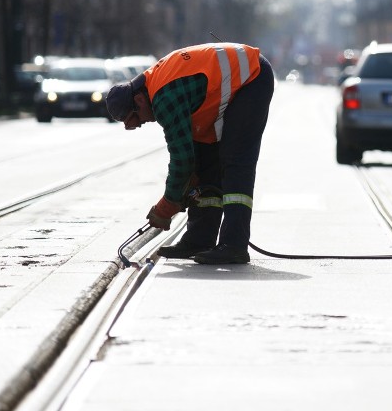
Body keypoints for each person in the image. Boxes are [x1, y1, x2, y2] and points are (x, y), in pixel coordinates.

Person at [105, 42, 275, 265]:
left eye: (135, 119)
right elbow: (190, 160)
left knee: (235, 162)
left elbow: (182, 160)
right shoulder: (152, 86)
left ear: (138, 100)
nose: (138, 125)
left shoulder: (164, 98)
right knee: (205, 164)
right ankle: (199, 240)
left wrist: (167, 205)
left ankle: (234, 245)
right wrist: (184, 184)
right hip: (223, 90)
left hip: (251, 79)